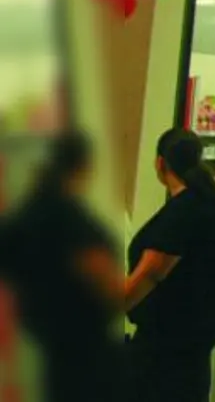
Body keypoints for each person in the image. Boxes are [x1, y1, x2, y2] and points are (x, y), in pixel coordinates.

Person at [0, 131, 123, 402]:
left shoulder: (26, 215)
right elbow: (105, 280)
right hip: (87, 350)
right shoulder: (70, 219)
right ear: (84, 167)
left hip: (51, 348)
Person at [124, 128, 215, 402]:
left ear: (160, 163)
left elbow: (151, 273)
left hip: (165, 344)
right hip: (196, 340)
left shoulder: (183, 211)